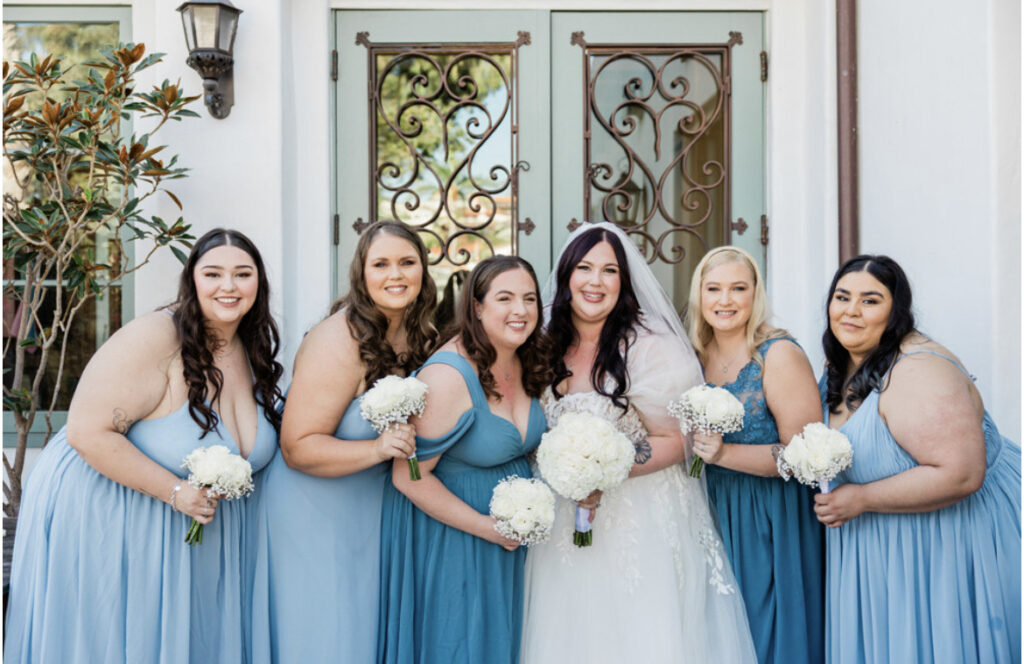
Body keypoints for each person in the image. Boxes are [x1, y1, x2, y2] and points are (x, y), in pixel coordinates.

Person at [5, 228, 283, 663]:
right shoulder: (157, 334)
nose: (228, 286)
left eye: (242, 274)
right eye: (213, 274)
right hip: (108, 511)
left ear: (258, 284)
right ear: (192, 280)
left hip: (197, 535)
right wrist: (177, 492)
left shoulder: (251, 348)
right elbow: (86, 431)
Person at [520, 222, 756, 663]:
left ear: (624, 283)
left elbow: (674, 440)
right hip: (560, 524)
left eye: (609, 271)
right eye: (585, 268)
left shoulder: (652, 347)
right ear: (567, 274)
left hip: (640, 518)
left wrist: (602, 472)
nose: (595, 281)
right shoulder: (541, 343)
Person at [814, 255, 1021, 664]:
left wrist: (859, 499)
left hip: (949, 540)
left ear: (896, 313)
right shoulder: (842, 365)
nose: (851, 311)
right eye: (842, 297)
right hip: (881, 548)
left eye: (870, 301)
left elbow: (960, 474)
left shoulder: (919, 371)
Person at [246, 221, 437, 663]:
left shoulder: (417, 334)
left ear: (423, 272)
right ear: (361, 274)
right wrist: (375, 449)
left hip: (368, 512)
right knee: (327, 637)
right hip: (314, 512)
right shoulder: (339, 338)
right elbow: (297, 446)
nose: (396, 275)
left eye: (407, 263)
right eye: (381, 264)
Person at [377, 255, 550, 664]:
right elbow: (409, 477)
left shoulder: (524, 359)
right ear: (476, 306)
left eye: (529, 298)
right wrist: (487, 528)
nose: (520, 311)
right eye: (505, 298)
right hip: (458, 542)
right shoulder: (449, 376)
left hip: (507, 539)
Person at [685, 246, 824, 664]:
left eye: (738, 289)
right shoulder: (692, 355)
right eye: (714, 289)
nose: (725, 301)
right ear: (699, 295)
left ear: (755, 295)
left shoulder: (778, 355)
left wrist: (725, 453)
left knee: (763, 630)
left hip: (768, 515)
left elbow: (806, 455)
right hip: (708, 509)